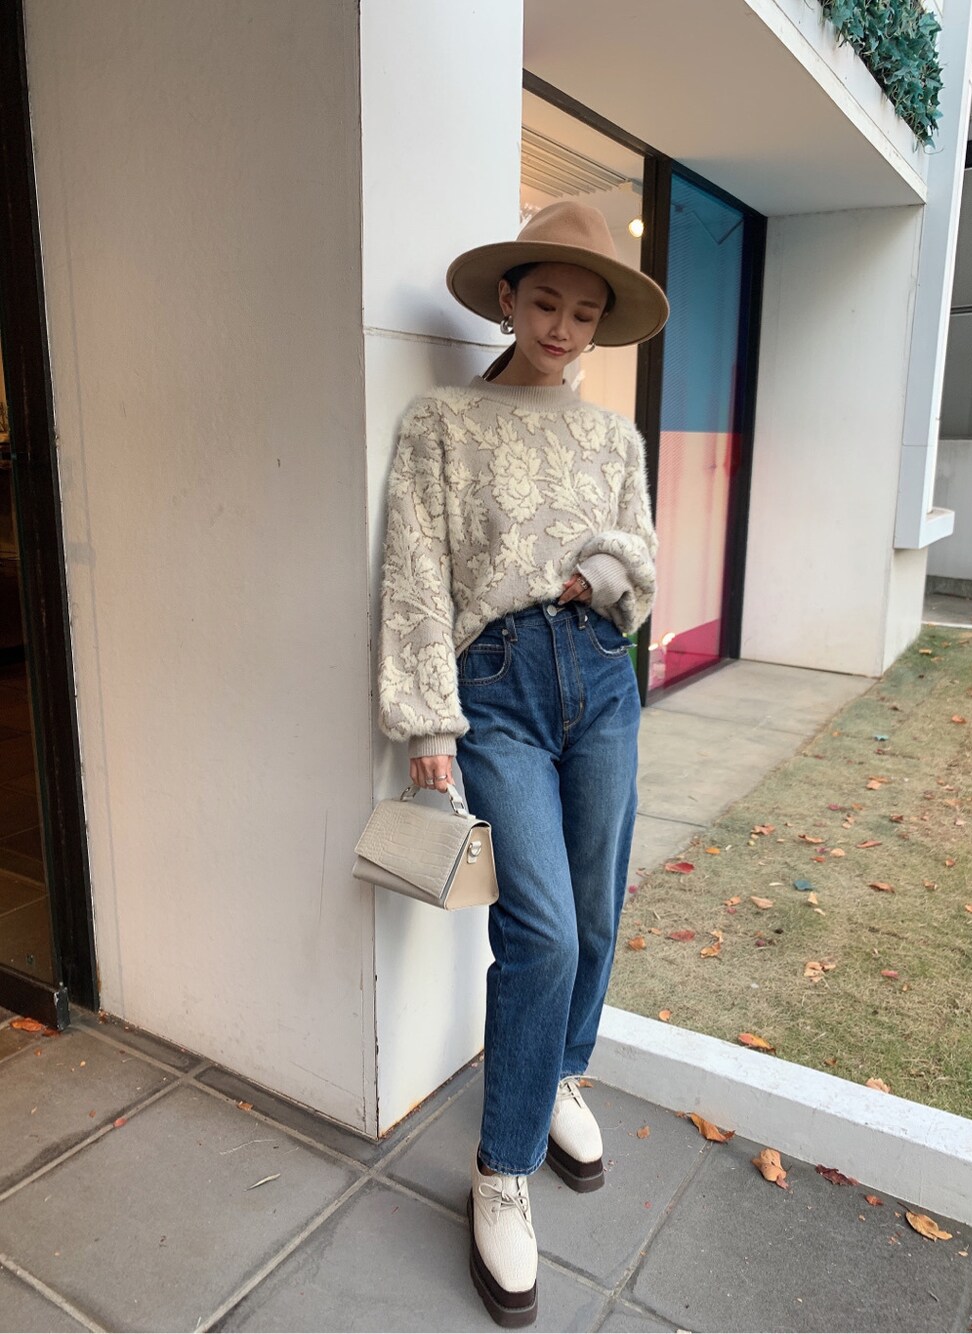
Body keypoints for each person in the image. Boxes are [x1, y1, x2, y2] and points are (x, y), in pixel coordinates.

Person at [377, 200, 668, 1328]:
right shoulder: (442, 423)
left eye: (584, 312)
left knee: (596, 906)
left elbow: (641, 561)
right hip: (495, 684)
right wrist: (428, 731)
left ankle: (559, 1074)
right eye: (544, 301)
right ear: (506, 298)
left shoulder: (614, 440)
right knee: (540, 927)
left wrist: (604, 577)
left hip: (600, 673)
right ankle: (501, 1170)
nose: (562, 326)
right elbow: (414, 572)